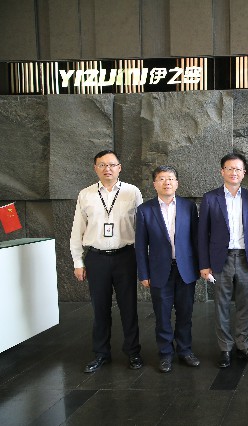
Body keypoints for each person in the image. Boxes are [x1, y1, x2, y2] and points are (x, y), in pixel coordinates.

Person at [70, 150, 143, 373]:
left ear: (119, 167)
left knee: (129, 307)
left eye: (112, 165)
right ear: (95, 168)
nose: (107, 169)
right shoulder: (86, 194)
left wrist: (143, 261)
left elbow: (142, 229)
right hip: (97, 258)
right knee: (100, 308)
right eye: (102, 165)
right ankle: (101, 354)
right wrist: (78, 261)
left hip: (125, 256)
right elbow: (77, 229)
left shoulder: (132, 192)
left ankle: (133, 352)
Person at [198, 153, 248, 369]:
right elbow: (202, 234)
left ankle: (243, 346)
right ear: (222, 171)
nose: (234, 172)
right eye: (229, 168)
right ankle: (225, 348)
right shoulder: (210, 198)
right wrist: (204, 264)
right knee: (222, 305)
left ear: (244, 173)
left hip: (245, 258)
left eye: (238, 169)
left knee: (245, 304)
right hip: (220, 259)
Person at [135, 165, 200, 373]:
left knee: (185, 314)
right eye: (162, 179)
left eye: (170, 178)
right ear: (155, 184)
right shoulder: (145, 210)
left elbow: (196, 239)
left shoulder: (189, 207)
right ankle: (165, 354)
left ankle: (185, 351)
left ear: (177, 183)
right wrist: (143, 273)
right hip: (159, 270)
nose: (167, 182)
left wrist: (201, 266)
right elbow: (140, 245)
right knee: (162, 315)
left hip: (185, 269)